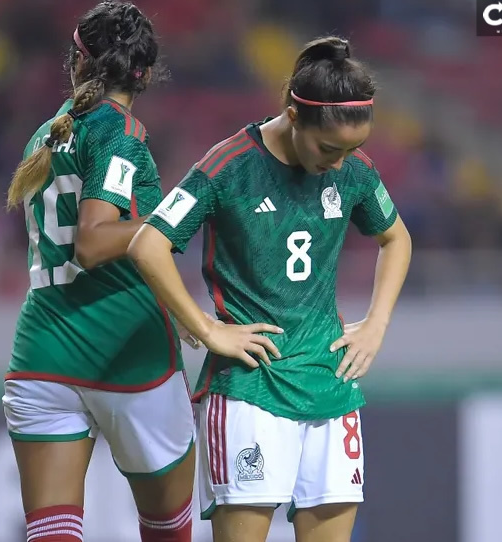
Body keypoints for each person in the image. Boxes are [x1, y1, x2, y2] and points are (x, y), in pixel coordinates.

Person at [128, 36, 412, 542]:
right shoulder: (226, 166)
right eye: (329, 148)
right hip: (250, 391)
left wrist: (376, 325)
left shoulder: (353, 171)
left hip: (331, 383)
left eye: (353, 149)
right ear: (294, 116)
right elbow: (148, 245)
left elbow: (397, 238)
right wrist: (207, 328)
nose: (341, 163)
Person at [1, 3, 204, 541]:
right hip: (127, 359)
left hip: (42, 358)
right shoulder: (120, 133)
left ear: (77, 61)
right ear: (145, 73)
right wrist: (172, 218)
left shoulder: (47, 133)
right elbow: (94, 241)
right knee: (168, 529)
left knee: (53, 533)